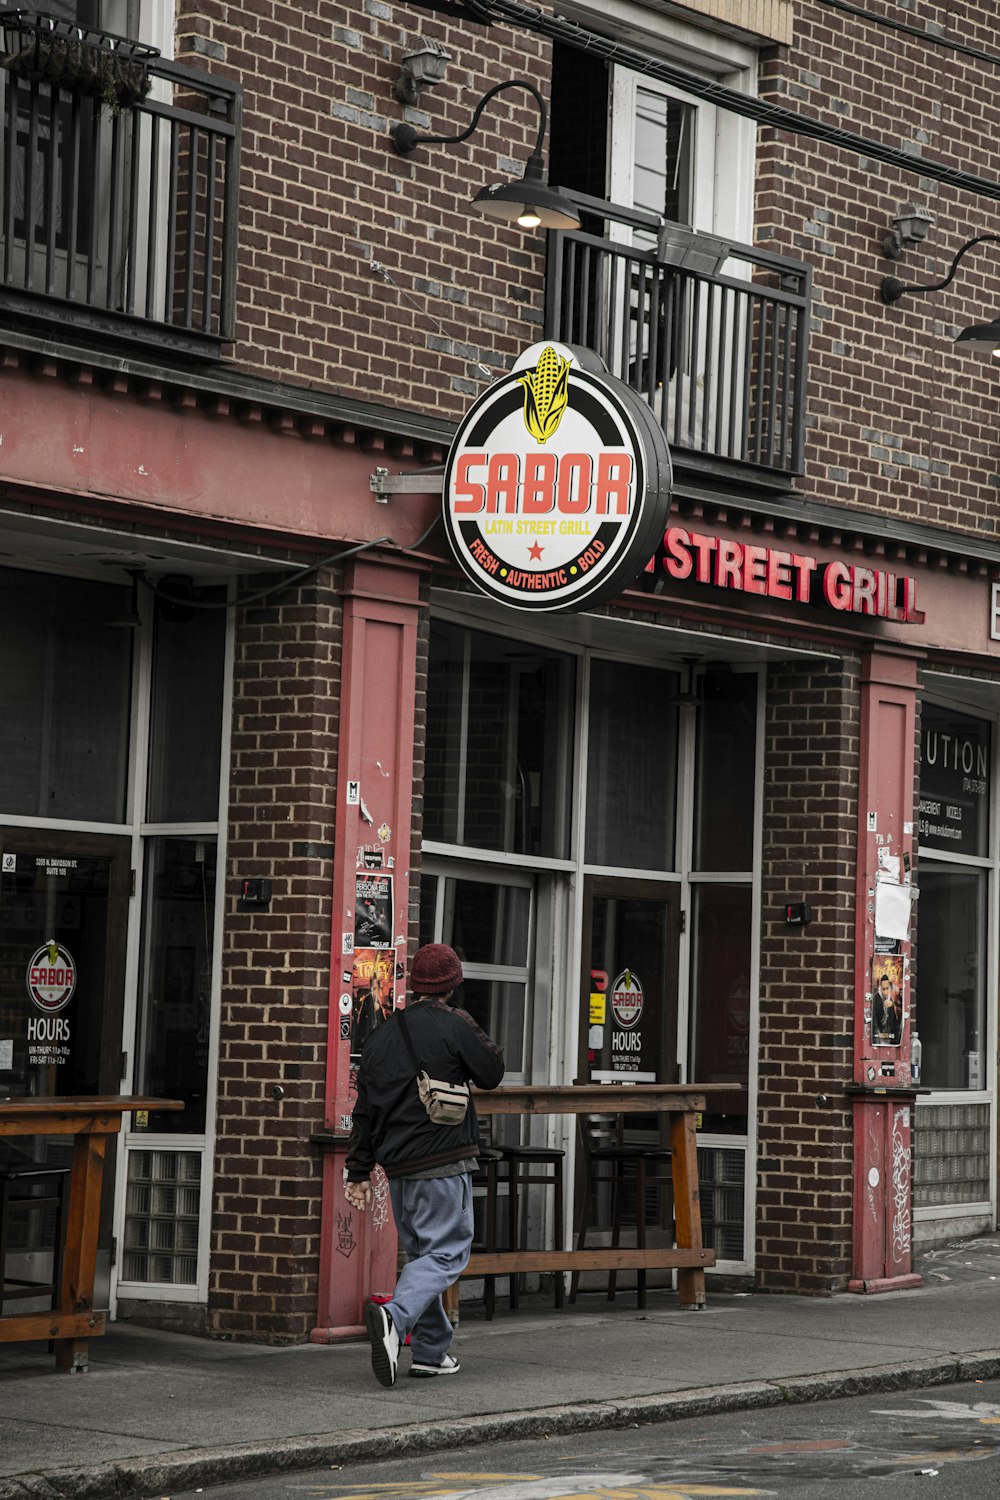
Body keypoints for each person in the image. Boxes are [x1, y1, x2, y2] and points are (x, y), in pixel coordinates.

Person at [344, 942, 504, 1387]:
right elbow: (492, 1072)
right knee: (447, 1252)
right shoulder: (454, 1024)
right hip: (443, 1160)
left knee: (422, 1255)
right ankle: (394, 1319)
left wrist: (358, 1170)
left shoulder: (380, 1036)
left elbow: (364, 1110)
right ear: (453, 985)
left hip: (397, 1168)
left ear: (414, 984)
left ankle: (432, 1352)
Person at [873, 974, 902, 1045]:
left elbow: (894, 1020)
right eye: (883, 989)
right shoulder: (876, 999)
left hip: (889, 1035)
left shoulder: (891, 999)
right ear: (880, 988)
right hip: (878, 1035)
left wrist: (892, 1006)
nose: (885, 992)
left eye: (887, 988)